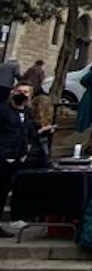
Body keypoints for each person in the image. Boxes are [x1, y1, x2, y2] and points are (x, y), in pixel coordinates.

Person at [0, 83, 33, 236]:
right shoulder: (3, 111)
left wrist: (25, 150)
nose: (22, 94)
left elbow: (27, 132)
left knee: (4, 191)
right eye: (20, 91)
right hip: (3, 156)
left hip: (18, 157)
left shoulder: (27, 112)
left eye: (26, 92)